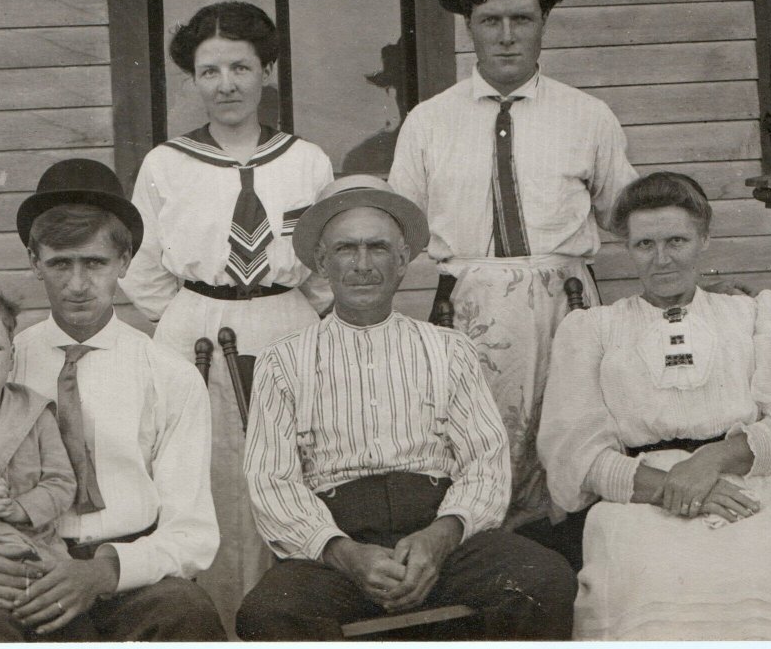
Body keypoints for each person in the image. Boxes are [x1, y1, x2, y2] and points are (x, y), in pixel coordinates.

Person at [235, 175, 577, 641]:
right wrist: (343, 552)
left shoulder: (450, 350)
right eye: (345, 250)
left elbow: (485, 462)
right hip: (338, 544)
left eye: (378, 248)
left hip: (441, 535)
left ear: (401, 262)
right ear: (320, 262)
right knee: (268, 614)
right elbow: (271, 481)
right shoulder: (284, 360)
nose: (362, 265)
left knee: (543, 579)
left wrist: (442, 537)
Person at [388, 0, 637, 542]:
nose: (506, 36)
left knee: (576, 451)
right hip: (469, 315)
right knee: (475, 461)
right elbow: (398, 232)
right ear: (468, 26)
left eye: (522, 19)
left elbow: (628, 216)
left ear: (544, 22)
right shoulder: (428, 123)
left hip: (567, 312)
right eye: (490, 20)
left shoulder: (587, 116)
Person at [119, 0, 334, 633]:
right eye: (210, 71)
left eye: (241, 67)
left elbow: (324, 269)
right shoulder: (166, 164)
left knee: (289, 470)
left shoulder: (306, 161)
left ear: (268, 70)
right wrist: (195, 312)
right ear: (192, 79)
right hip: (195, 335)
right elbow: (141, 267)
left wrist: (287, 314)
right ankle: (210, 625)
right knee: (203, 477)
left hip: (286, 324)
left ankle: (287, 620)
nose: (227, 85)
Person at [538, 171, 771, 639]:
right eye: (644, 244)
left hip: (749, 484)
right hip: (638, 498)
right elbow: (573, 452)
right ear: (627, 248)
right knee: (648, 579)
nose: (662, 258)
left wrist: (711, 461)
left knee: (762, 566)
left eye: (677, 240)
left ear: (704, 240)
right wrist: (676, 486)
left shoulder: (752, 314)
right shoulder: (591, 329)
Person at [0, 158, 225, 641]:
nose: (77, 284)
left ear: (124, 261)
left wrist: (106, 572)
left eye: (94, 262)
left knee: (187, 612)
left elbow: (193, 534)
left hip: (127, 576)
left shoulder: (170, 377)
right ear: (35, 263)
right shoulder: (1, 362)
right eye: (59, 263)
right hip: (22, 565)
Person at [0, 289, 76, 566]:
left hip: (33, 542)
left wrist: (14, 508)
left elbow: (61, 483)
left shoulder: (34, 412)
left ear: (12, 356)